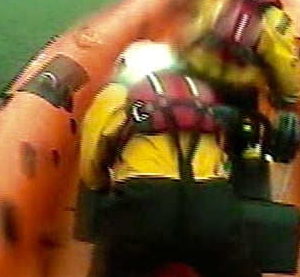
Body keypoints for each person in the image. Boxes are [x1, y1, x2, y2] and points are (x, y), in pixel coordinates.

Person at [77, 40, 261, 277]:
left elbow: (91, 173)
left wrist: (107, 188)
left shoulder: (115, 96)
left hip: (143, 207)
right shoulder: (200, 97)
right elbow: (223, 160)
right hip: (212, 205)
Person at [176, 0, 300, 179]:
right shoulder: (276, 22)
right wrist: (288, 104)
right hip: (237, 99)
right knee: (246, 144)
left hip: (190, 86)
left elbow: (186, 34)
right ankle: (237, 174)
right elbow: (286, 75)